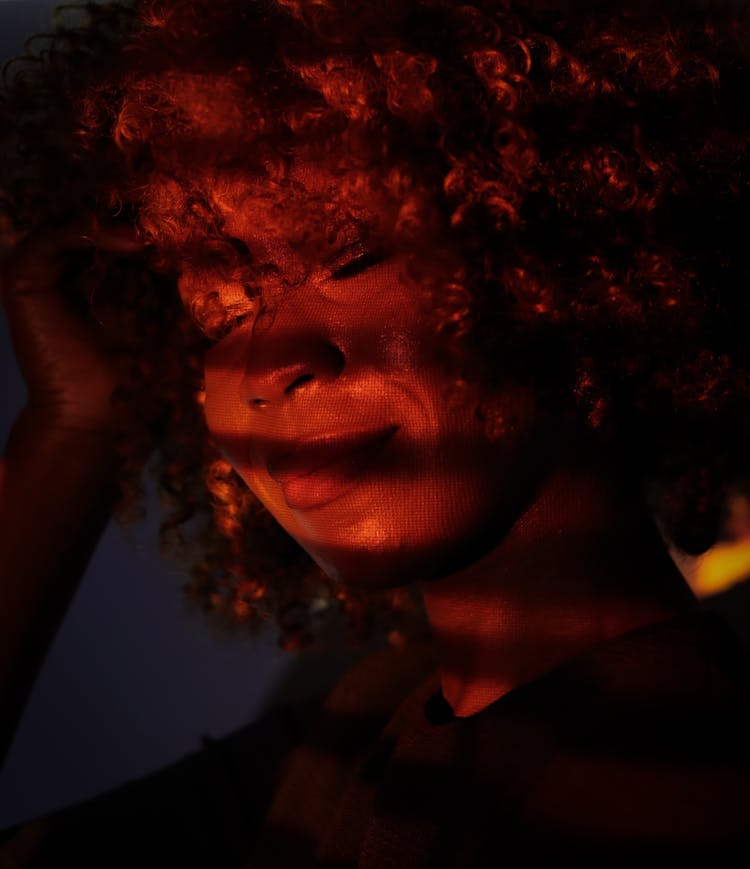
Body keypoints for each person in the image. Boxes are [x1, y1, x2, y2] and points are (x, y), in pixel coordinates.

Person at [1, 0, 750, 864]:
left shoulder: (676, 791)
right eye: (214, 308)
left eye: (347, 254)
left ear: (563, 249)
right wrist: (73, 424)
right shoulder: (352, 734)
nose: (267, 359)